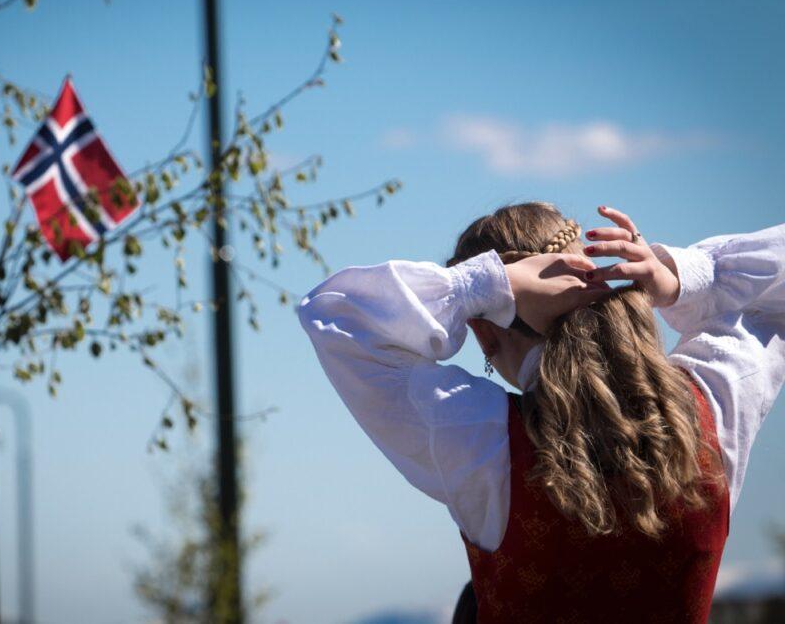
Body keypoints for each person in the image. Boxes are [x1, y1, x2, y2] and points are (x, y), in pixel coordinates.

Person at [296, 202, 784, 622]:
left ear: (485, 335)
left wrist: (487, 283)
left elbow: (336, 316)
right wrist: (685, 275)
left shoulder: (477, 440)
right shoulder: (716, 402)